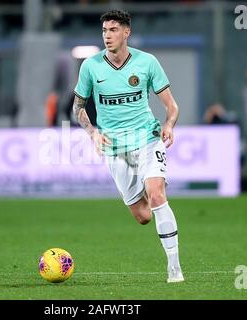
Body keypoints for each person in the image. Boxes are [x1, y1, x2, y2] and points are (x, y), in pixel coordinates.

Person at [72, 10, 183, 283]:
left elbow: (171, 106)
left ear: (126, 32)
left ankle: (174, 268)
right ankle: (153, 192)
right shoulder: (91, 66)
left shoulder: (147, 62)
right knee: (143, 215)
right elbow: (78, 107)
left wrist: (169, 125)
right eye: (104, 31)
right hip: (115, 149)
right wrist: (92, 132)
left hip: (148, 139)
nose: (107, 35)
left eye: (112, 30)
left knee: (156, 195)